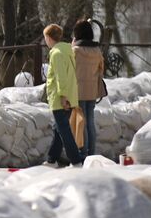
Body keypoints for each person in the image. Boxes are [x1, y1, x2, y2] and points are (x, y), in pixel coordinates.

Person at [43, 22, 83, 167]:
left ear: (48, 37)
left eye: (45, 38)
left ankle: (76, 160)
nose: (45, 41)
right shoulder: (68, 50)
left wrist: (62, 95)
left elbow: (60, 76)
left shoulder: (56, 53)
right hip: (70, 94)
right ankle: (51, 159)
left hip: (60, 97)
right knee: (58, 128)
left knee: (63, 130)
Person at [71, 18, 106, 160]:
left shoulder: (75, 51)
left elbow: (69, 70)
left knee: (81, 122)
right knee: (90, 121)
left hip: (78, 91)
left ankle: (83, 152)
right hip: (92, 91)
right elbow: (101, 70)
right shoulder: (97, 50)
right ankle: (92, 152)